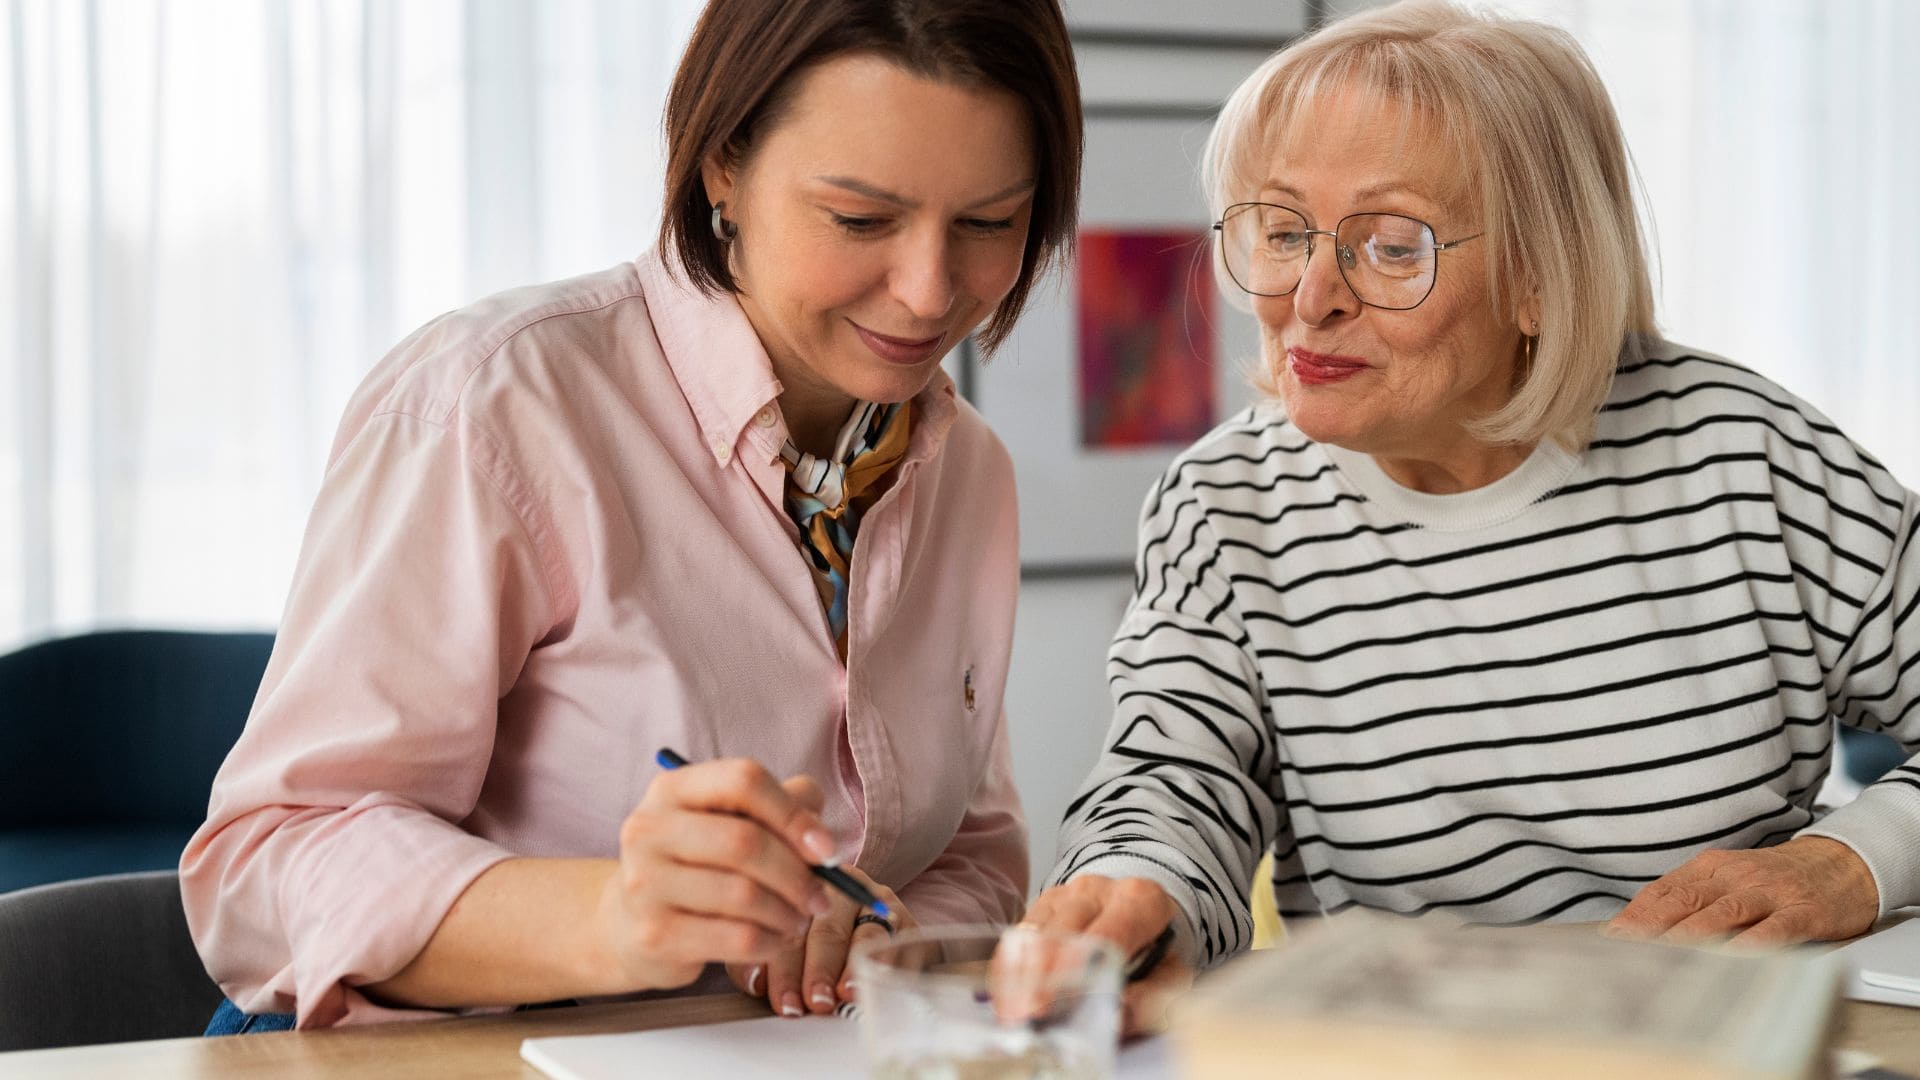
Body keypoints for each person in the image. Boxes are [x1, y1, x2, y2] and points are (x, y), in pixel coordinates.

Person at [181, 0, 1081, 1031]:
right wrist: (615, 916)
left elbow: (970, 854)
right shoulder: (493, 407)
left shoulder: (969, 475)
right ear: (723, 169)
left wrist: (881, 929)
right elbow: (266, 863)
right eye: (860, 220)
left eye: (987, 223)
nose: (928, 293)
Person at [1023, 0, 1919, 1034]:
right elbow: (1174, 780)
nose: (1309, 298)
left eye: (1391, 246)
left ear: (1540, 273)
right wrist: (1139, 894)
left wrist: (1853, 861)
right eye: (1280, 231)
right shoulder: (1226, 508)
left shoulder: (1748, 461)